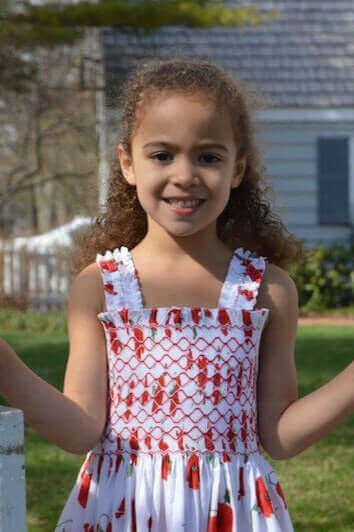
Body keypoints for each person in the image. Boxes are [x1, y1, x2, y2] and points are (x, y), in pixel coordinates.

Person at [1, 58, 353, 532]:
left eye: (208, 156)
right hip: (123, 508)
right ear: (128, 163)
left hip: (233, 511)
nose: (185, 174)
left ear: (237, 168)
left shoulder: (267, 290)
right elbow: (79, 429)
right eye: (162, 155)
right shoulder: (101, 287)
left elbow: (280, 436)